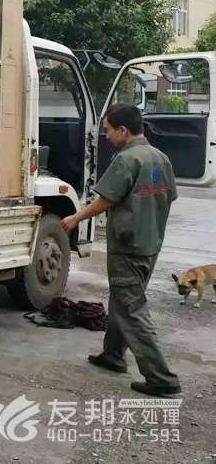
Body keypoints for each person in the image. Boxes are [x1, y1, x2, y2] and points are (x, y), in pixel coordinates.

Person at [62, 103, 181, 397]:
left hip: (128, 246)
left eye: (108, 131)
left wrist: (76, 217)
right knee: (123, 300)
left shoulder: (127, 159)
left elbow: (106, 199)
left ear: (123, 130)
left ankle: (161, 377)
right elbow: (170, 197)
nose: (106, 136)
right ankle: (113, 354)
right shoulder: (161, 158)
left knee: (131, 309)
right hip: (150, 244)